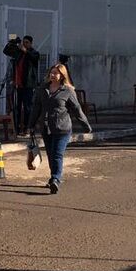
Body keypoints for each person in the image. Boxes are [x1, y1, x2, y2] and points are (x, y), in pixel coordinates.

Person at [28, 63, 92, 193]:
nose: (52, 75)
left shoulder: (67, 91)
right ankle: (53, 177)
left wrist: (86, 125)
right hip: (46, 127)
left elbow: (76, 109)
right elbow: (36, 108)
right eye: (51, 72)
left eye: (56, 73)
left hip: (62, 128)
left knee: (57, 154)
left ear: (62, 75)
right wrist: (31, 125)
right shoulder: (43, 89)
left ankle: (56, 179)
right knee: (51, 155)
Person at [4, 34, 41, 133]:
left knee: (27, 107)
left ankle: (27, 128)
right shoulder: (18, 53)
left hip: (28, 85)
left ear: (31, 44)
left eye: (27, 42)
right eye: (23, 42)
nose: (24, 44)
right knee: (17, 107)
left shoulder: (34, 53)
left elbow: (34, 58)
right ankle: (16, 128)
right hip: (17, 85)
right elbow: (6, 51)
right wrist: (12, 42)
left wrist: (25, 51)